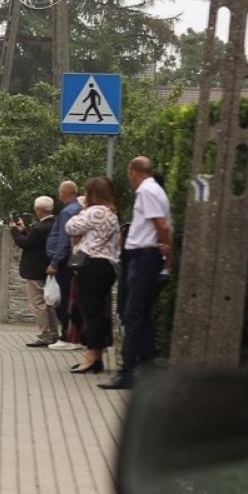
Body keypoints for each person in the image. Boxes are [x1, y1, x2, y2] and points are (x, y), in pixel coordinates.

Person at [104, 157, 173, 390]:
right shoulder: (155, 190)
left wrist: (163, 250)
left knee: (132, 314)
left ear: (134, 171)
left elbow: (161, 226)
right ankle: (148, 364)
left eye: (129, 175)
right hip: (145, 256)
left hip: (143, 256)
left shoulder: (147, 190)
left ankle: (128, 372)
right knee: (142, 314)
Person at [64, 176, 121, 375]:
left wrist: (82, 209)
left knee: (90, 313)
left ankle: (91, 356)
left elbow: (70, 226)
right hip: (106, 266)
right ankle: (96, 357)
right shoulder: (112, 213)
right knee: (97, 312)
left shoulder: (95, 212)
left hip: (93, 265)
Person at [11, 196, 59, 347]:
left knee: (38, 303)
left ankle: (45, 334)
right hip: (48, 268)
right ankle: (53, 333)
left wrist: (14, 231)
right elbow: (33, 241)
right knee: (48, 302)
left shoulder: (39, 228)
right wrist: (24, 230)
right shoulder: (55, 224)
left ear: (39, 210)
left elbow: (25, 243)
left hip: (35, 269)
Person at [46, 180, 84, 351]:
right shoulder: (79, 209)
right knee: (73, 298)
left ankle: (67, 335)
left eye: (60, 193)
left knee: (64, 300)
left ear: (64, 193)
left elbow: (64, 239)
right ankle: (75, 334)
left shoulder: (67, 211)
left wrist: (55, 262)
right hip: (75, 260)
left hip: (64, 262)